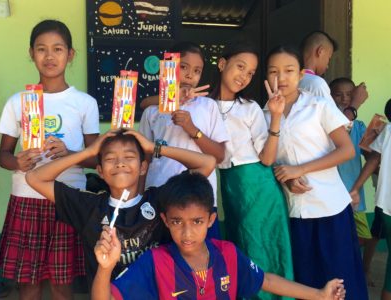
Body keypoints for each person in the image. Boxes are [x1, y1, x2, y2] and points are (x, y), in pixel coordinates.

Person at [92, 172, 346, 300]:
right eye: (177, 222)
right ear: (165, 221)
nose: (187, 232)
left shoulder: (227, 254)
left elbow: (265, 280)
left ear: (211, 220)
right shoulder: (155, 261)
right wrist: (106, 268)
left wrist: (319, 295)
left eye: (197, 221)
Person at [25, 129, 216, 290]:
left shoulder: (159, 200)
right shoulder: (88, 206)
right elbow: (34, 178)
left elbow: (207, 163)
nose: (120, 163)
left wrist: (153, 148)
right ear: (99, 170)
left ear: (143, 167)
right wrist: (88, 152)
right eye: (110, 159)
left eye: (129, 157)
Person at [0, 20, 100, 299]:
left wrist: (69, 154)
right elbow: (2, 156)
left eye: (57, 49)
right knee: (27, 284)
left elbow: (95, 160)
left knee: (61, 284)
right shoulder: (18, 101)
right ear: (31, 53)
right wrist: (17, 162)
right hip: (27, 198)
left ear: (71, 54)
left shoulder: (84, 103)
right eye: (42, 49)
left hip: (67, 198)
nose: (49, 56)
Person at [263, 45, 368, 299]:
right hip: (294, 211)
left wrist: (301, 169)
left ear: (301, 75)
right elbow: (267, 160)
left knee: (342, 280)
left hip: (330, 208)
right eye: (274, 71)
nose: (282, 78)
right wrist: (287, 178)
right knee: (306, 283)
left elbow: (346, 151)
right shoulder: (264, 114)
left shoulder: (319, 105)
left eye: (289, 70)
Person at [208, 43, 293, 300]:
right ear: (222, 64)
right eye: (240, 66)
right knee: (240, 247)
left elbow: (267, 159)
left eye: (251, 73)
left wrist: (276, 117)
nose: (244, 76)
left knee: (263, 246)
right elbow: (149, 102)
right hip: (230, 187)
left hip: (259, 185)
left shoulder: (250, 108)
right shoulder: (202, 105)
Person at [139, 41, 228, 238]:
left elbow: (219, 155)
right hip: (159, 194)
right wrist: (139, 197)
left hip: (200, 196)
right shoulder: (153, 110)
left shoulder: (208, 106)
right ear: (168, 68)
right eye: (184, 67)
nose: (190, 75)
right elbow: (145, 159)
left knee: (202, 259)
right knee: (162, 256)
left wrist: (191, 129)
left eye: (197, 70)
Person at [350, 116, 391, 300]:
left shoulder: (388, 130)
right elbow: (373, 158)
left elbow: (374, 158)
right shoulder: (387, 130)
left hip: (386, 204)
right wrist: (356, 188)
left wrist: (356, 188)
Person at [329, 77, 372, 244]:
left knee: (361, 237)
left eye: (349, 95)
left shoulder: (360, 126)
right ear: (329, 97)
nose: (345, 99)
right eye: (338, 95)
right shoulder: (328, 126)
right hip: (333, 195)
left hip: (354, 194)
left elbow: (370, 156)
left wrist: (377, 140)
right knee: (337, 238)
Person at [299, 31, 368, 121]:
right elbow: (338, 127)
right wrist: (355, 103)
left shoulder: (290, 81)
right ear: (320, 51)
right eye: (329, 58)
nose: (327, 65)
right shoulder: (316, 84)